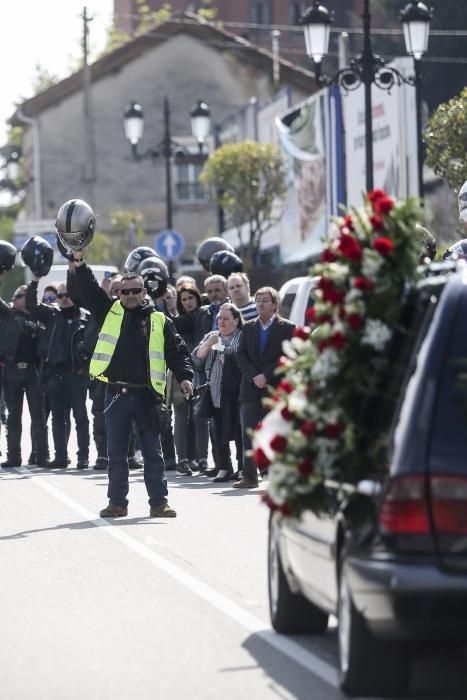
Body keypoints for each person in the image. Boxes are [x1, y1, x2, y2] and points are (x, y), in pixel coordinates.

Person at [72, 251, 194, 519]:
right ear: (119, 294)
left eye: (135, 290)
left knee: (153, 451)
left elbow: (178, 353)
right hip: (115, 393)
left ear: (144, 292)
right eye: (125, 291)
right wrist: (79, 263)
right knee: (116, 453)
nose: (129, 295)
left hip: (147, 396)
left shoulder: (160, 321)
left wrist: (185, 377)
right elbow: (89, 290)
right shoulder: (108, 311)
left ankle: (159, 502)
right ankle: (117, 503)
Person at [26, 279, 90, 469]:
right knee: (58, 418)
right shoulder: (51, 315)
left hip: (77, 374)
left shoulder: (85, 316)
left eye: (67, 295)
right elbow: (31, 305)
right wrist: (35, 281)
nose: (63, 299)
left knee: (81, 416)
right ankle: (60, 456)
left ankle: (83, 457)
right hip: (55, 374)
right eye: (60, 295)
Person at [235, 287, 295, 489]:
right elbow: (240, 355)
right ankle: (249, 476)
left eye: (265, 300)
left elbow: (287, 356)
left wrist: (266, 376)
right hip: (250, 388)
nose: (260, 304)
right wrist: (254, 376)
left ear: (275, 304)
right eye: (258, 300)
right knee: (248, 432)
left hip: (275, 388)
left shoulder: (287, 328)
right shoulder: (248, 327)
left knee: (277, 433)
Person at [192, 303, 243, 482]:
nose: (221, 322)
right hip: (214, 391)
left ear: (236, 321)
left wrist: (227, 355)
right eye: (219, 318)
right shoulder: (211, 336)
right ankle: (223, 467)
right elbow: (196, 362)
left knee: (239, 430)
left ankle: (243, 468)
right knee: (217, 430)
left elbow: (245, 360)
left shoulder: (243, 336)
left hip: (237, 392)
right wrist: (209, 344)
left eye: (226, 318)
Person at [0, 283, 49, 468]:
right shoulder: (7, 314)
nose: (15, 299)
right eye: (15, 296)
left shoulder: (41, 316)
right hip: (11, 369)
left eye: (20, 295)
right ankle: (14, 456)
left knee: (38, 416)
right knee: (13, 416)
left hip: (33, 371)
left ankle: (42, 456)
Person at [172, 284, 209, 475]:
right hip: (181, 372)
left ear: (197, 298)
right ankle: (183, 460)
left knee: (200, 417)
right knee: (180, 417)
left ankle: (203, 459)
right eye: (183, 299)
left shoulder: (205, 316)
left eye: (190, 298)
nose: (187, 302)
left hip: (202, 373)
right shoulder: (176, 322)